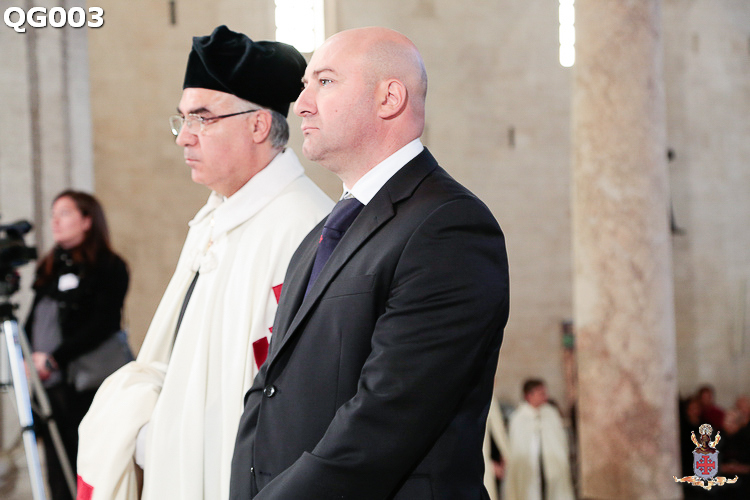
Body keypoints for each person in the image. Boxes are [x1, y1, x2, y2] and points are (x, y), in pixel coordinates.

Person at [229, 27, 510, 499]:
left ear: (389, 98)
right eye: (304, 85)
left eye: (324, 82)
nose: (301, 105)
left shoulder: (449, 227)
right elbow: (269, 390)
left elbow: (386, 416)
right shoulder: (323, 232)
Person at [76, 26, 333, 500]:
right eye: (182, 120)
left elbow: (293, 402)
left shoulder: (302, 229)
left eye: (202, 119)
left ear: (259, 126)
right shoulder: (216, 218)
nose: (184, 139)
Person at [25, 190, 129, 500]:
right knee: (58, 472)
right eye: (53, 214)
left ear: (87, 220)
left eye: (65, 213)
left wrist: (55, 358)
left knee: (93, 467)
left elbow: (103, 323)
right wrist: (27, 358)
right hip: (50, 386)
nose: (55, 221)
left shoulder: (109, 266)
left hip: (87, 385)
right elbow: (34, 319)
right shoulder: (50, 267)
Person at [503, 379, 574, 500]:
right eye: (541, 393)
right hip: (529, 470)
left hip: (551, 469)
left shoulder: (551, 413)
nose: (545, 397)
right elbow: (515, 448)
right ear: (529, 395)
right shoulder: (518, 418)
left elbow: (560, 442)